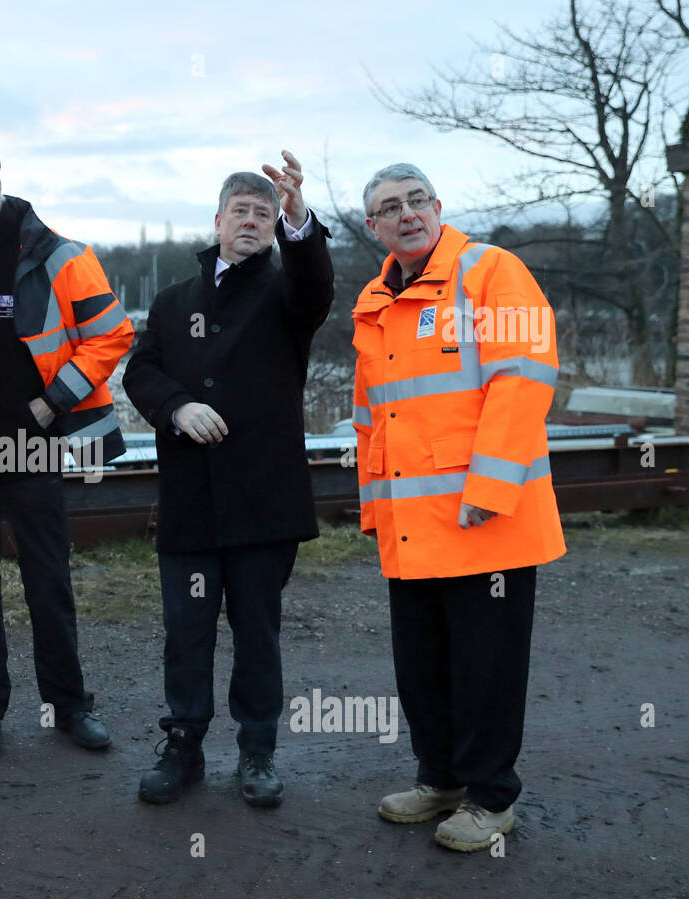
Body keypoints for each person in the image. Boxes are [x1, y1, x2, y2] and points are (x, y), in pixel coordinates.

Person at [352, 163, 565, 851]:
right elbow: (370, 419)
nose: (407, 213)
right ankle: (439, 779)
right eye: (391, 207)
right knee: (422, 665)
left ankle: (490, 797)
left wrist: (491, 487)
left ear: (438, 207)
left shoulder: (490, 272)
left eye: (417, 200)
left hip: (486, 521)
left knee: (487, 667)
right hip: (413, 526)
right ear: (373, 227)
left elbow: (523, 376)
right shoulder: (375, 301)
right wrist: (376, 509)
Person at [123, 154, 334, 807]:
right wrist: (177, 406)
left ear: (276, 227)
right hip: (191, 502)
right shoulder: (172, 300)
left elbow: (315, 285)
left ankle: (257, 752)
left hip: (263, 502)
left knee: (256, 632)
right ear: (217, 221)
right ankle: (182, 746)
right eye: (240, 211)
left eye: (263, 214)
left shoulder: (286, 294)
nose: (251, 221)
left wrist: (301, 218)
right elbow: (140, 372)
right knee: (185, 633)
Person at [0, 134, 132, 758]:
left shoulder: (60, 256)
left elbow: (110, 336)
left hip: (30, 446)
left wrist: (51, 403)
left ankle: (69, 707)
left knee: (48, 579)